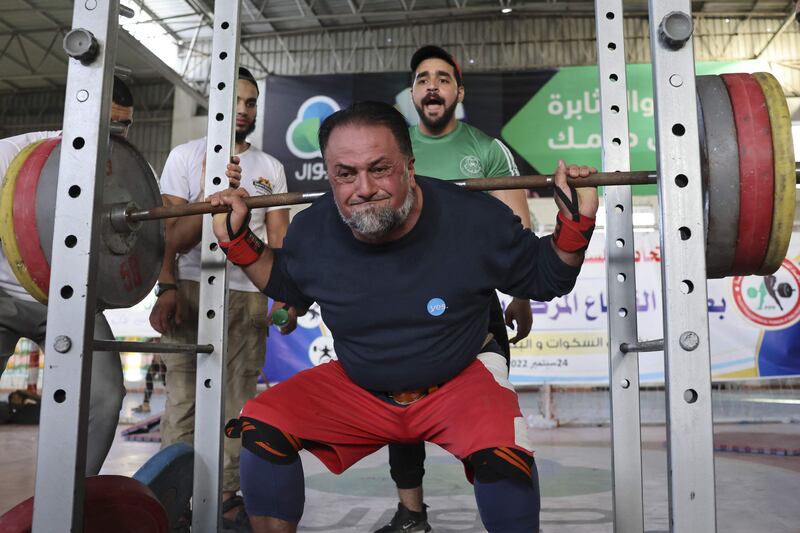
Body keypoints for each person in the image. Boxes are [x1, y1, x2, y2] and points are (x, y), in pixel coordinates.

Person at [209, 101, 598, 533]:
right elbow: (287, 283)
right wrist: (238, 240)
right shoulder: (313, 230)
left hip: (459, 379)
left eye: (380, 169)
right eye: (345, 174)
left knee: (506, 460)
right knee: (262, 427)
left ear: (409, 167)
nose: (364, 188)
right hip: (362, 386)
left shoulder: (474, 219)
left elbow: (545, 277)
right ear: (329, 175)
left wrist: (574, 225)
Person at [377, 45, 537, 532]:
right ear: (412, 92)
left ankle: (505, 519)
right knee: (399, 414)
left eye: (443, 79)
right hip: (401, 301)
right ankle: (411, 514)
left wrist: (522, 293)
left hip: (473, 304)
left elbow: (517, 223)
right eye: (423, 78)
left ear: (458, 92)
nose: (432, 86)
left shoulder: (486, 150)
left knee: (490, 413)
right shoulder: (392, 149)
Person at [149, 66, 295, 531]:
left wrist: (284, 297)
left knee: (240, 403)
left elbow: (279, 239)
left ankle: (229, 495)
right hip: (191, 289)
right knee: (183, 401)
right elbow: (170, 238)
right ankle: (175, 499)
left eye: (251, 103)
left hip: (249, 295)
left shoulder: (270, 167)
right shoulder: (184, 157)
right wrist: (167, 286)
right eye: (236, 101)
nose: (244, 110)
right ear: (216, 103)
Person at [0, 76, 134, 476]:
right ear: (77, 114)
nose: (114, 136)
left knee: (106, 398)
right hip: (3, 294)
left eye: (122, 126)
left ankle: (73, 499)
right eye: (106, 125)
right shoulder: (13, 154)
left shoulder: (124, 178)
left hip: (74, 300)